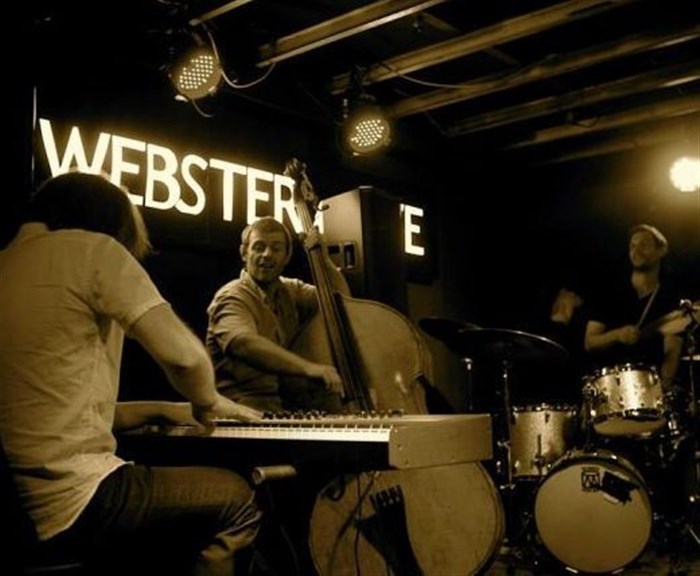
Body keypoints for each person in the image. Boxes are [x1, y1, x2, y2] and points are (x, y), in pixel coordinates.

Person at [0, 172, 263, 576]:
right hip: (71, 502)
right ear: (111, 223)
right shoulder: (92, 249)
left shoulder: (9, 261)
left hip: (18, 512)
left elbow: (53, 413)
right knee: (237, 499)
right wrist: (206, 400)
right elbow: (185, 360)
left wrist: (164, 409)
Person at [205, 216, 351, 413]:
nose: (267, 254)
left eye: (276, 248)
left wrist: (324, 260)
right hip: (239, 413)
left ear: (287, 257)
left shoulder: (292, 290)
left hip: (283, 412)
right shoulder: (232, 296)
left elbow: (342, 305)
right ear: (244, 253)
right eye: (259, 247)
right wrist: (308, 368)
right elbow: (244, 344)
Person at [584, 224, 683, 394]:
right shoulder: (609, 291)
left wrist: (664, 387)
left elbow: (673, 348)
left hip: (649, 389)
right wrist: (617, 335)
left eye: (644, 244)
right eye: (632, 246)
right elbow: (590, 342)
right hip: (610, 388)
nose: (636, 250)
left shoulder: (668, 297)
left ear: (661, 250)